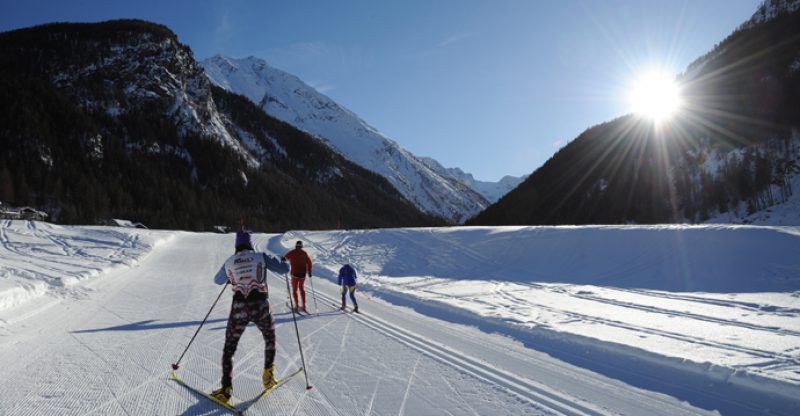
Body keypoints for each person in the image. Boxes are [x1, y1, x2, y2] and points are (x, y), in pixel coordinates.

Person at [210, 229, 288, 404]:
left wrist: (232, 277)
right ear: (250, 243)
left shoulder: (229, 261)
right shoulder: (260, 256)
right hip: (260, 305)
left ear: (237, 244)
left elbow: (217, 280)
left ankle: (226, 389)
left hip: (239, 307)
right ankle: (268, 377)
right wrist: (282, 260)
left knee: (229, 348)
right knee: (270, 339)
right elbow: (285, 269)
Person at [281, 241, 312, 313]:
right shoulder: (304, 253)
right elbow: (309, 262)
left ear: (296, 246)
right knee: (302, 289)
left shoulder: (292, 252)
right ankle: (304, 305)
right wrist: (309, 271)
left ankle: (297, 305)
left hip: (295, 274)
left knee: (295, 290)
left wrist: (283, 258)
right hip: (302, 274)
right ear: (301, 246)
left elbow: (285, 258)